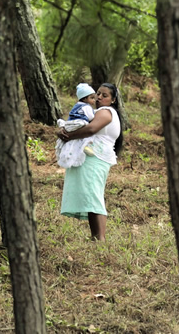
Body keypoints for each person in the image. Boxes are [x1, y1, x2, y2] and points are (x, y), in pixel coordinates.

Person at [57, 83, 124, 241]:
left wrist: (68, 135)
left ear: (113, 100)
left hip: (95, 157)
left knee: (93, 195)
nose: (99, 97)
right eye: (98, 93)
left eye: (105, 95)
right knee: (91, 194)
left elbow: (92, 129)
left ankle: (99, 239)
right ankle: (96, 237)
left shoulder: (106, 112)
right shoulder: (95, 112)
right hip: (93, 156)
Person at [55, 83, 98, 168]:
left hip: (71, 123)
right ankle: (85, 147)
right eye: (92, 98)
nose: (94, 100)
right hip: (80, 123)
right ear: (85, 98)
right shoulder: (86, 107)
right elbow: (91, 117)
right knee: (86, 134)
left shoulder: (77, 105)